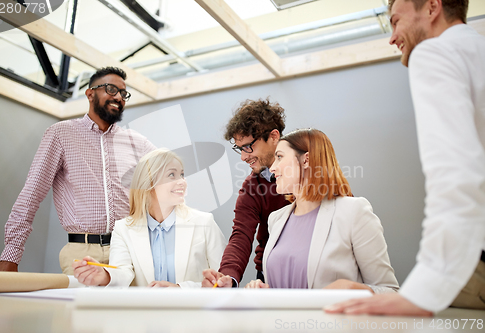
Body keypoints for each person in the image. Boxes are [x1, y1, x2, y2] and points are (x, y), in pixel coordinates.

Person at [325, 0, 485, 315]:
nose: (392, 36)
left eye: (396, 21)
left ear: (432, 7)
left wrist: (426, 289)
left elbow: (454, 174)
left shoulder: (435, 52)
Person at [0, 67, 156, 274]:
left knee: (129, 307)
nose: (119, 97)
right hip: (83, 254)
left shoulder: (137, 142)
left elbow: (168, 177)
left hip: (129, 251)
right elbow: (32, 194)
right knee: (82, 307)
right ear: (90, 94)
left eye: (123, 94)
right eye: (111, 89)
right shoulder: (61, 134)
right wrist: (11, 254)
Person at [243, 129, 399, 292]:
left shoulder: (353, 211)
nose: (272, 168)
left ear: (306, 160)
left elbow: (390, 291)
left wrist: (353, 288)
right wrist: (260, 289)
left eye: (279, 157)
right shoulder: (276, 219)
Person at [72, 149, 227, 287]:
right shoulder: (123, 229)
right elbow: (122, 273)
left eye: (182, 175)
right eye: (172, 175)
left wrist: (180, 289)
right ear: (148, 183)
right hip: (145, 316)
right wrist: (104, 276)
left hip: (193, 314)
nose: (182, 182)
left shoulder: (204, 222)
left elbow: (223, 279)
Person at [203, 99, 289, 288]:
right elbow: (241, 236)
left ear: (274, 136)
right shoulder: (252, 186)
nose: (243, 157)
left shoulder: (313, 172)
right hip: (270, 275)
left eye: (248, 147)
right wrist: (228, 276)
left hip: (314, 269)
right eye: (239, 149)